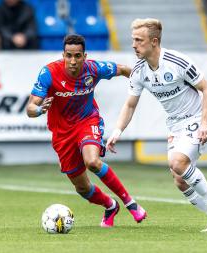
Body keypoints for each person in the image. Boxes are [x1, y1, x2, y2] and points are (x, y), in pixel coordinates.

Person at [106, 18, 207, 232]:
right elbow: (130, 105)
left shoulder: (177, 61)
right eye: (133, 40)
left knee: (177, 162)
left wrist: (204, 124)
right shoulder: (139, 71)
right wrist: (117, 131)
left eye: (139, 40)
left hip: (196, 118)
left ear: (154, 41)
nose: (134, 45)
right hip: (176, 126)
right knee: (179, 180)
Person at [26, 34, 147, 227]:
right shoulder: (48, 73)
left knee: (92, 162)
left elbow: (124, 70)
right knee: (82, 188)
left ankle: (130, 203)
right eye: (68, 56)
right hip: (62, 133)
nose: (73, 61)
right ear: (63, 55)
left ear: (85, 56)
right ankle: (110, 205)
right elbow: (30, 108)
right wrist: (40, 109)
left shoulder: (94, 68)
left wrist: (149, 82)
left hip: (86, 121)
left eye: (77, 56)